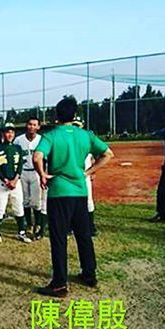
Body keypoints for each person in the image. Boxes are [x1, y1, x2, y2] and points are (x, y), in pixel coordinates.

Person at [33, 97, 114, 297]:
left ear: (56, 115)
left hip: (59, 193)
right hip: (80, 192)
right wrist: (87, 172)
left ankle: (59, 283)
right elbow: (108, 154)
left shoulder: (50, 136)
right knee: (83, 235)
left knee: (59, 238)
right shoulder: (85, 135)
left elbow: (37, 157)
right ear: (74, 115)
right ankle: (89, 274)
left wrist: (43, 175)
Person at [0, 122, 31, 246]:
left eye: (12, 132)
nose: (10, 134)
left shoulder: (17, 148)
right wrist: (5, 180)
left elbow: (20, 166)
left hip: (16, 183)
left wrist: (15, 179)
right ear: (3, 134)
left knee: (18, 207)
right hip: (2, 184)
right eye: (7, 132)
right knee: (0, 209)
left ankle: (21, 232)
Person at [14, 116, 44, 238]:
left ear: (38, 127)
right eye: (29, 124)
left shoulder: (41, 140)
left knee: (37, 201)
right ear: (26, 125)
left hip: (37, 172)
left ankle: (38, 223)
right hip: (23, 172)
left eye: (34, 125)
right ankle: (29, 224)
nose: (31, 127)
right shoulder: (18, 140)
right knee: (25, 200)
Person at [73, 117, 97, 236]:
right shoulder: (67, 140)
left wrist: (92, 172)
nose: (76, 127)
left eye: (78, 125)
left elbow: (94, 157)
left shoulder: (87, 139)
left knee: (88, 201)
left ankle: (91, 226)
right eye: (74, 125)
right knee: (71, 201)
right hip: (70, 176)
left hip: (84, 175)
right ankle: (71, 226)